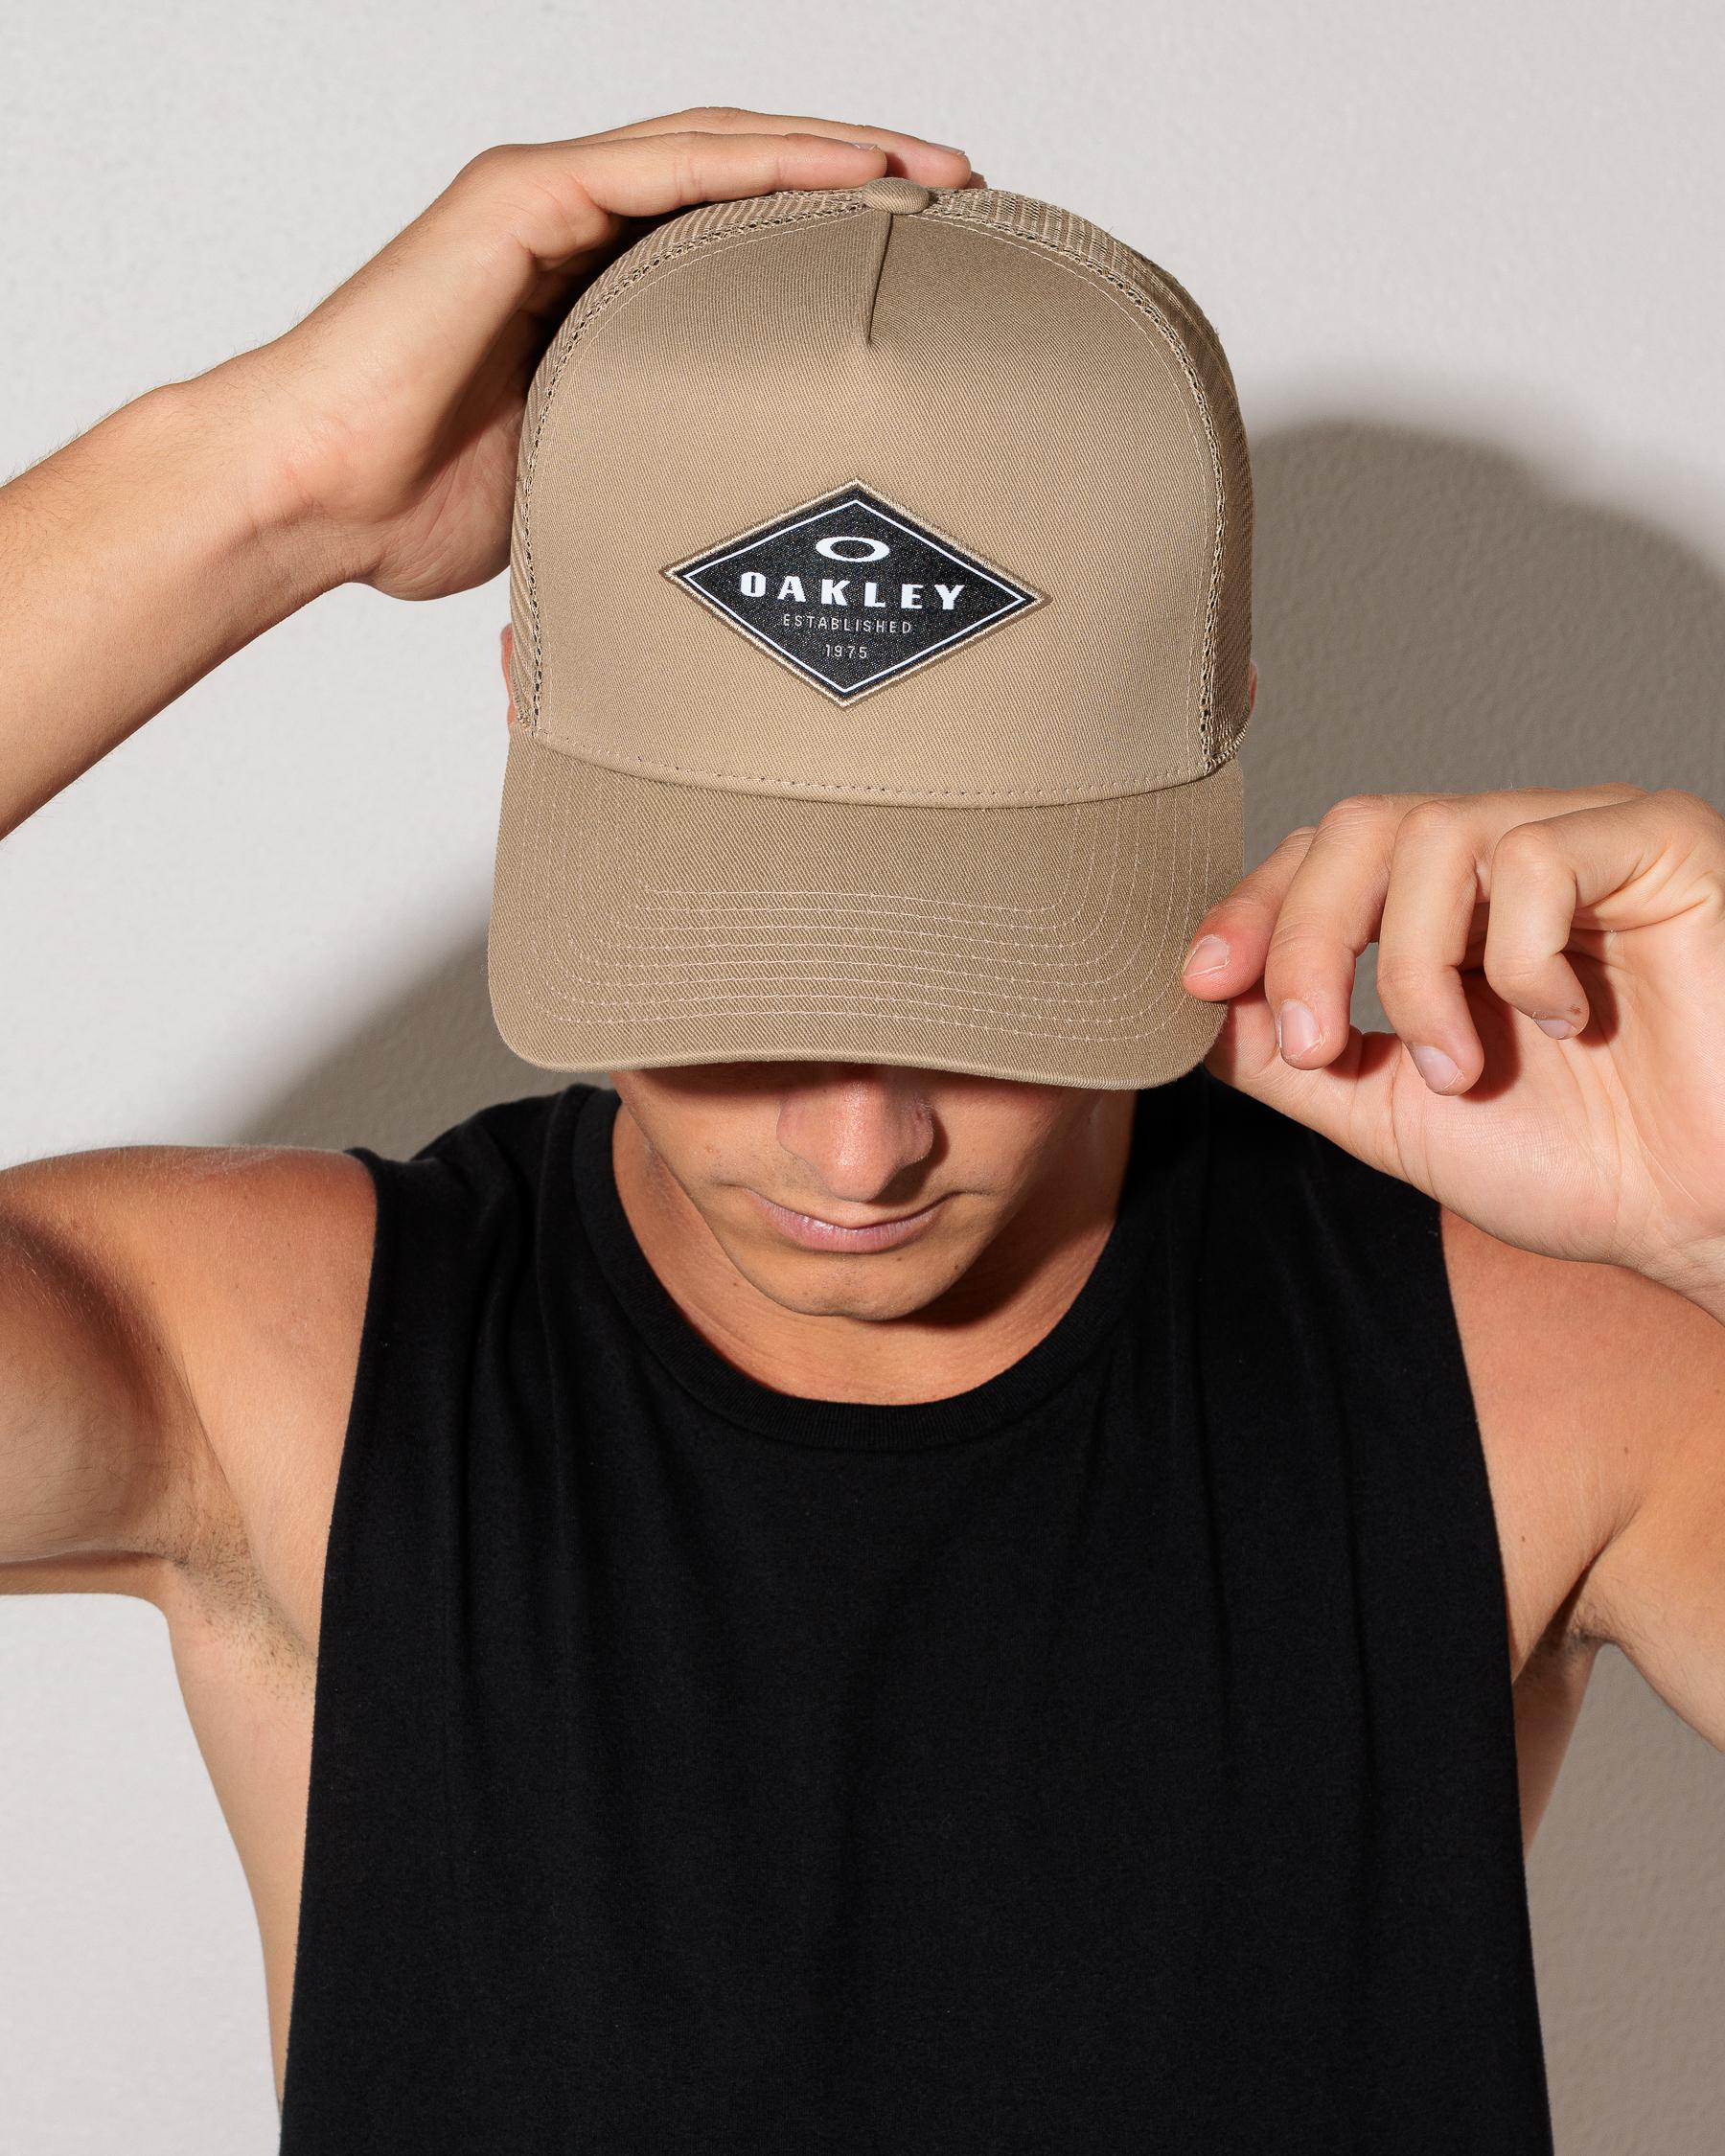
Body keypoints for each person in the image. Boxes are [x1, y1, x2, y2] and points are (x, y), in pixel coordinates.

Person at [3, 103, 1724, 2153]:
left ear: (1218, 741)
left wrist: (1723, 1224)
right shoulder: (285, 1368)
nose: (858, 1155)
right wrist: (266, 483)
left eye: (987, 1000)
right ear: (524, 697)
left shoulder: (1539, 1370)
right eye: (731, 995)